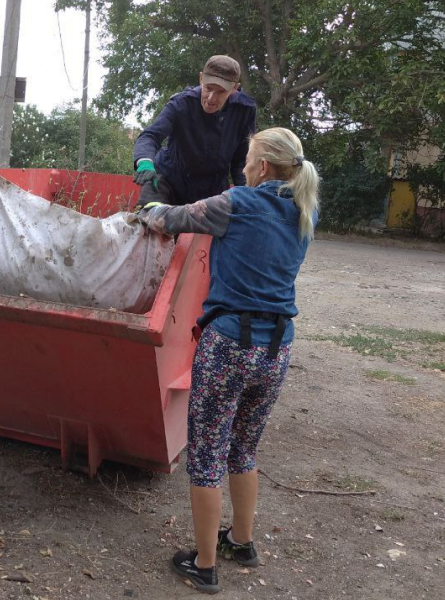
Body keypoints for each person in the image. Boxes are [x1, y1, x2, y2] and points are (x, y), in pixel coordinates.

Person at [137, 127, 319, 594]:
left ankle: (204, 564)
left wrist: (149, 205)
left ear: (261, 167)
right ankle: (241, 541)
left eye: (248, 158)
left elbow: (170, 219)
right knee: (244, 448)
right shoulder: (304, 211)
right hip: (277, 348)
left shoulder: (236, 202)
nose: (242, 166)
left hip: (228, 347)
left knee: (206, 453)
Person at [133, 55, 257, 207]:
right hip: (167, 181)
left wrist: (248, 194)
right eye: (208, 88)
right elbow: (150, 136)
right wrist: (144, 161)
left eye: (220, 92)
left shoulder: (244, 110)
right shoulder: (181, 104)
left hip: (212, 191)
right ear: (201, 79)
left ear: (234, 89)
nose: (211, 98)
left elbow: (241, 161)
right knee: (150, 221)